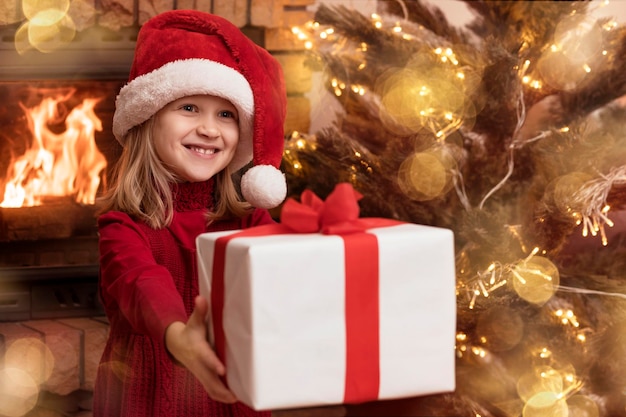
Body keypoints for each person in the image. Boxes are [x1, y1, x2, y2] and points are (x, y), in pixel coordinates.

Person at [94, 9, 287, 417]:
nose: (210, 129)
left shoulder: (250, 221)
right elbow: (140, 281)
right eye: (189, 108)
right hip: (148, 400)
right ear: (148, 118)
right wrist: (178, 335)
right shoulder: (123, 227)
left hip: (232, 397)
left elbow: (284, 280)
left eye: (226, 114)